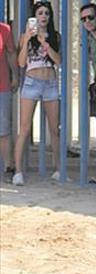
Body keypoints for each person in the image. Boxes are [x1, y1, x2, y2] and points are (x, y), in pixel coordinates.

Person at [13, 0, 61, 186]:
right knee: (24, 128)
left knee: (54, 128)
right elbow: (21, 62)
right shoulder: (26, 36)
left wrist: (46, 44)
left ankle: (58, 168)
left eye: (46, 14)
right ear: (34, 16)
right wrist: (26, 40)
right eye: (40, 13)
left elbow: (58, 61)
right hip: (32, 82)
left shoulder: (54, 36)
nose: (43, 17)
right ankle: (18, 171)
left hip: (49, 82)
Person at [0, 21, 17, 179]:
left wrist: (15, 76)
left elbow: (11, 53)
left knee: (4, 129)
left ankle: (8, 165)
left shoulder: (4, 29)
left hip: (2, 85)